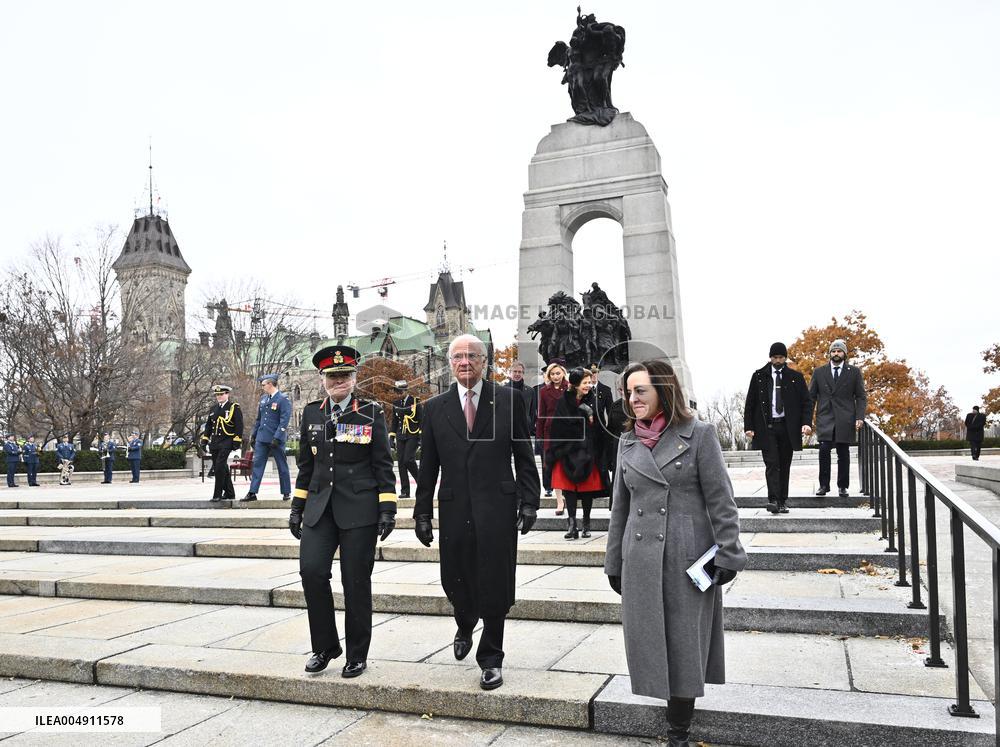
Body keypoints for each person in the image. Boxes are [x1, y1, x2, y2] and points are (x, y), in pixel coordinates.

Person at [605, 360, 746, 746]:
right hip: (641, 559)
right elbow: (621, 507)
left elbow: (721, 499)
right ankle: (672, 717)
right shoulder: (627, 441)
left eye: (640, 391)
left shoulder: (698, 434)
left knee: (685, 644)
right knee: (650, 640)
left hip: (687, 557)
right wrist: (613, 561)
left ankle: (678, 730)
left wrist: (729, 552)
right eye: (628, 392)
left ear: (663, 391)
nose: (632, 399)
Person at [413, 333, 540, 691]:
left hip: (498, 505)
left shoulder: (509, 400)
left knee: (496, 580)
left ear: (484, 362)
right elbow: (428, 467)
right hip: (454, 507)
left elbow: (523, 454)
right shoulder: (435, 408)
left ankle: (491, 657)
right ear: (450, 363)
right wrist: (422, 513)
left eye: (472, 355)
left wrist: (529, 501)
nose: (465, 362)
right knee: (455, 578)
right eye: (458, 357)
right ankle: (465, 619)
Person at [289, 345, 397, 679]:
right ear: (323, 379)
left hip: (359, 509)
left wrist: (387, 508)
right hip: (319, 509)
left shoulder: (370, 411)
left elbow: (383, 463)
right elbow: (306, 466)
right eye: (333, 376)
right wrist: (297, 508)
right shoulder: (311, 413)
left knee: (355, 581)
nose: (339, 381)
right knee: (312, 572)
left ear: (354, 377)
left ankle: (356, 654)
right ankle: (324, 647)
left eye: (345, 375)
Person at [743, 342, 812, 514]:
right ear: (770, 357)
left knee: (784, 464)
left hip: (788, 428)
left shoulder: (795, 377)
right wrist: (749, 426)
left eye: (781, 357)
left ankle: (782, 501)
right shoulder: (759, 376)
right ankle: (773, 499)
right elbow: (750, 403)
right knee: (772, 463)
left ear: (785, 358)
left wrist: (806, 423)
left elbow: (806, 402)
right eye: (775, 357)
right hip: (767, 427)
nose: (778, 360)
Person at [549, 368, 609, 540]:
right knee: (569, 490)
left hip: (588, 452)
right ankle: (572, 524)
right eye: (585, 383)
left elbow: (598, 427)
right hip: (567, 452)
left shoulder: (593, 401)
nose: (589, 385)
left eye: (590, 382)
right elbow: (558, 426)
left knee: (587, 490)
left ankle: (587, 523)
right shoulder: (563, 402)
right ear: (575, 384)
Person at [809, 340, 867, 497]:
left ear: (845, 354)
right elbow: (811, 397)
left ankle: (843, 486)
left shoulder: (854, 372)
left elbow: (861, 396)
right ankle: (823, 485)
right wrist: (807, 420)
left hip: (845, 418)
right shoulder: (819, 372)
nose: (836, 354)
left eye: (839, 351)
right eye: (833, 351)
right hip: (825, 418)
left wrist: (860, 417)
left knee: (843, 452)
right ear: (829, 354)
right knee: (824, 450)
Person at [244, 373, 293, 502]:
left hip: (276, 439)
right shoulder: (264, 399)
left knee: (282, 466)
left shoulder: (283, 399)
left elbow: (284, 420)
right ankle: (252, 492)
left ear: (270, 384)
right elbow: (259, 419)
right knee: (257, 465)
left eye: (263, 385)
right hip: (262, 438)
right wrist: (254, 435)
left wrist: (277, 437)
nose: (262, 387)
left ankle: (286, 492)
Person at [201, 385, 244, 502]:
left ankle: (217, 494)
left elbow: (239, 425)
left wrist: (237, 440)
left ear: (227, 394)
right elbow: (209, 426)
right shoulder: (213, 409)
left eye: (221, 394)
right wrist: (204, 440)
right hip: (215, 442)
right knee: (222, 467)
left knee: (219, 466)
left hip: (227, 440)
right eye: (217, 395)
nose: (219, 397)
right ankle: (230, 493)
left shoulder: (233, 407)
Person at [536, 362, 569, 514]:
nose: (556, 376)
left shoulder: (569, 388)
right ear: (549, 376)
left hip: (567, 431)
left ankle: (569, 497)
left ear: (563, 373)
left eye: (558, 373)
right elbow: (541, 414)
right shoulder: (544, 391)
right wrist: (540, 436)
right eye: (553, 374)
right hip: (550, 432)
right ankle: (559, 501)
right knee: (554, 466)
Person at [389, 380, 422, 499]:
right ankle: (405, 491)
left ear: (405, 390)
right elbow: (394, 422)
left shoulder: (414, 402)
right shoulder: (396, 403)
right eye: (397, 391)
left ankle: (421, 484)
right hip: (400, 435)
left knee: (408, 459)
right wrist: (391, 438)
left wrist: (420, 438)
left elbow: (421, 420)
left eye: (400, 391)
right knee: (402, 463)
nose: (398, 394)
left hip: (412, 434)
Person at [504, 362, 538, 440]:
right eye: (515, 371)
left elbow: (533, 413)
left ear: (523, 374)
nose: (517, 374)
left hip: (525, 430)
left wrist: (530, 426)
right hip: (507, 430)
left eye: (520, 372)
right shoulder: (503, 390)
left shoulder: (530, 391)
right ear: (510, 373)